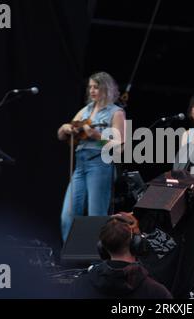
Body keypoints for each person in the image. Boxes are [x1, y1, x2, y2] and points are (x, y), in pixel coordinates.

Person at [58, 72, 126, 242]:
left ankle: (98, 261)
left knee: (97, 216)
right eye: (90, 87)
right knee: (68, 215)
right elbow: (61, 135)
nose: (92, 90)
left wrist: (96, 136)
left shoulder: (116, 112)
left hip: (99, 164)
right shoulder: (85, 111)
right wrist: (65, 128)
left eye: (96, 86)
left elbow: (120, 145)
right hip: (80, 166)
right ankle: (70, 258)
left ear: (106, 88)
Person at [72, 213, 173, 299]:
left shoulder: (79, 286)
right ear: (136, 245)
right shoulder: (156, 292)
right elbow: (170, 248)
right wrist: (140, 228)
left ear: (101, 247)